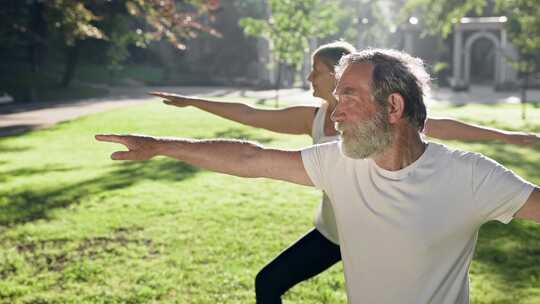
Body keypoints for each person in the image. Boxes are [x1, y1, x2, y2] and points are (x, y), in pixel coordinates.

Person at [95, 48, 540, 303]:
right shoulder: (337, 162)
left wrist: (518, 140)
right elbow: (252, 158)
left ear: (394, 107)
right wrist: (160, 146)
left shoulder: (471, 178)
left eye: (347, 95)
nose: (336, 110)